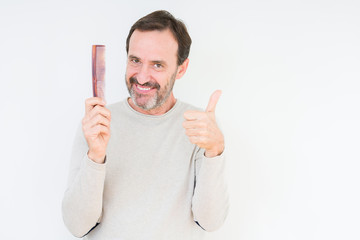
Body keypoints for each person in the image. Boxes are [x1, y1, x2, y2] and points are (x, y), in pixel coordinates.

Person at [62, 10, 229, 239]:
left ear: (181, 69)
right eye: (135, 60)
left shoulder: (200, 126)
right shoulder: (97, 122)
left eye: (157, 65)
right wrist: (96, 156)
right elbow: (77, 226)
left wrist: (214, 151)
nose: (141, 77)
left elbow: (210, 222)